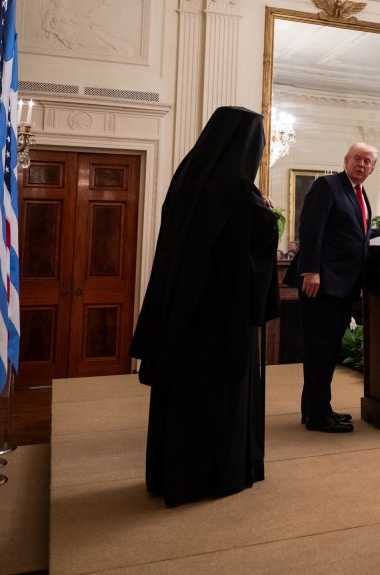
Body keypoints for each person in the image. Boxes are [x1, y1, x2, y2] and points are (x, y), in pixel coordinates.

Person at [130, 107, 280, 507]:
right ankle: (216, 476)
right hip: (221, 317)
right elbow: (248, 250)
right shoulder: (234, 188)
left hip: (184, 311)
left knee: (183, 396)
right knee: (218, 396)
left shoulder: (189, 177)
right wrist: (266, 217)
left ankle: (173, 473)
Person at [288, 142, 380, 433]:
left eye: (368, 161)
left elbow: (351, 234)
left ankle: (316, 409)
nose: (362, 164)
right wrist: (311, 271)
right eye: (357, 159)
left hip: (342, 285)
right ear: (346, 160)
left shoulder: (360, 194)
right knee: (320, 350)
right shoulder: (327, 186)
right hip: (322, 283)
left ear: (373, 168)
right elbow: (311, 230)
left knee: (325, 351)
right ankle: (318, 416)